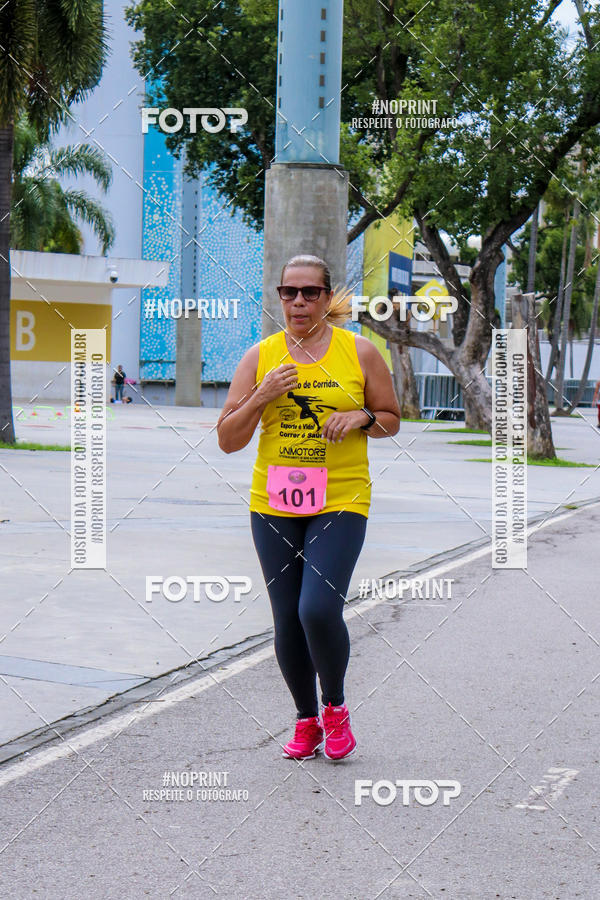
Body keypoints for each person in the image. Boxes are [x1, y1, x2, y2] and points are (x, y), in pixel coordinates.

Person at [217, 254, 401, 761]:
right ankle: (306, 720)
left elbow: (391, 419)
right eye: (288, 292)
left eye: (310, 292)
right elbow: (228, 441)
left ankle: (336, 708)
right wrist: (261, 395)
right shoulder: (260, 357)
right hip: (273, 502)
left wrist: (360, 417)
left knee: (317, 609)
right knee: (286, 618)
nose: (298, 302)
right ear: (279, 297)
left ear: (327, 297)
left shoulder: (360, 352)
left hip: (341, 497)